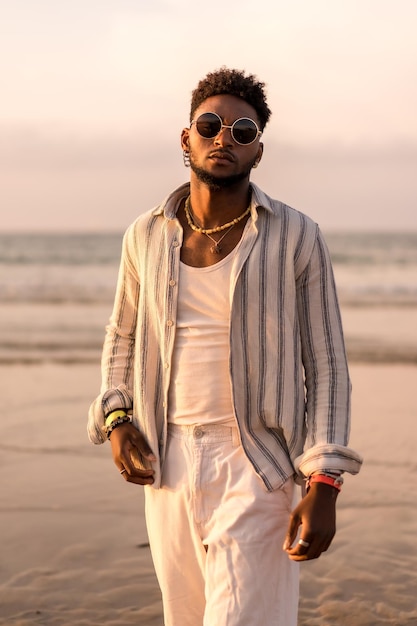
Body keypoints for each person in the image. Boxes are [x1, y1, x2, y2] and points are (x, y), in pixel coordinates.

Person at [88, 67, 362, 626]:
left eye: (242, 131)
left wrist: (326, 480)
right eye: (210, 125)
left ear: (258, 149)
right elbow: (122, 336)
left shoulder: (297, 236)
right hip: (167, 466)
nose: (224, 138)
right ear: (185, 137)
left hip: (259, 465)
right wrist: (116, 421)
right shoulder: (144, 235)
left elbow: (327, 362)